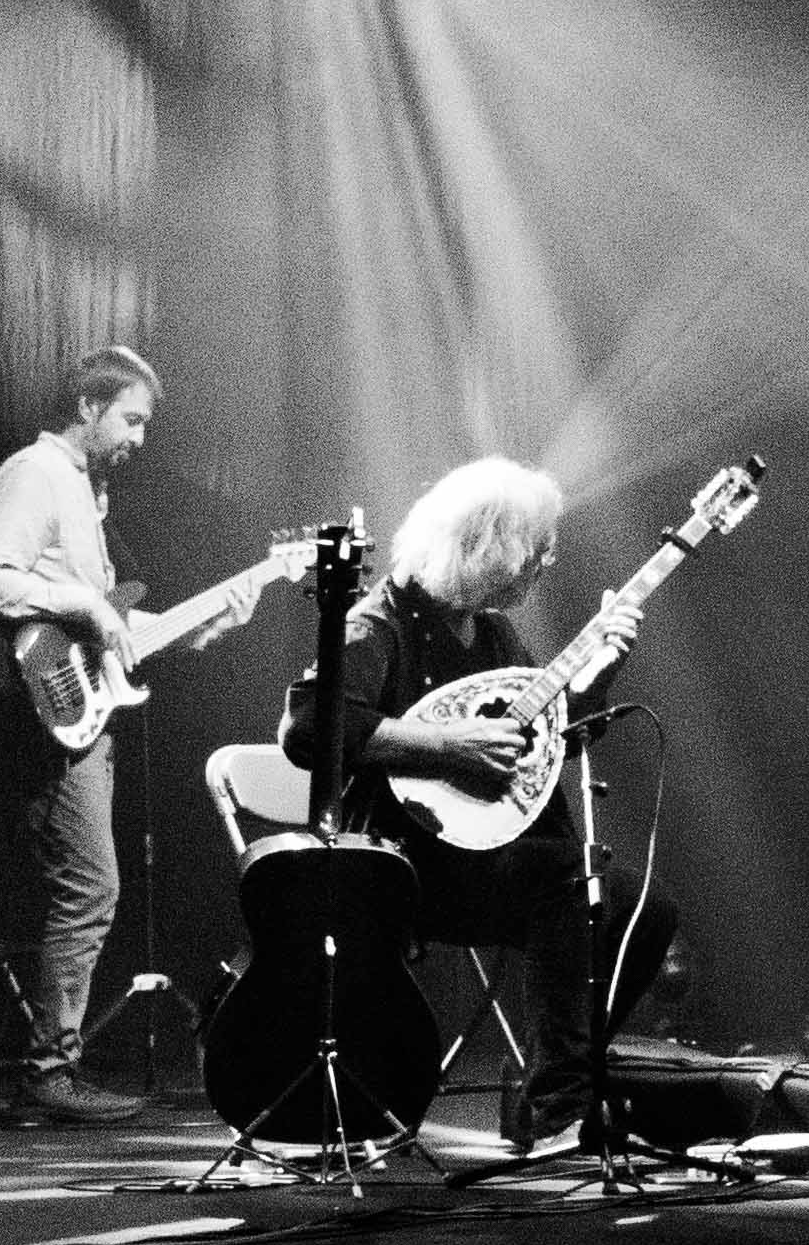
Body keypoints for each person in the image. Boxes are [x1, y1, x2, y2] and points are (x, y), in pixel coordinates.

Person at [280, 456, 681, 1150]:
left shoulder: (491, 632)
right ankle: (560, 1110)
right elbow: (308, 727)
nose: (546, 562)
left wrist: (597, 679)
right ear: (486, 545)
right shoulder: (376, 626)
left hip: (493, 856)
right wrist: (444, 745)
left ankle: (548, 1076)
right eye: (536, 545)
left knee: (644, 908)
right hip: (406, 861)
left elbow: (540, 746)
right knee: (567, 880)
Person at [0, 343, 176, 1125]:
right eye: (130, 419)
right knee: (90, 885)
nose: (138, 438)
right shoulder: (36, 473)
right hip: (45, 720)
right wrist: (85, 606)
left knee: (87, 887)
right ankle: (49, 1071)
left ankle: (52, 1064)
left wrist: (197, 622)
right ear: (87, 406)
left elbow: (101, 617)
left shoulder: (84, 489)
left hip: (81, 710)